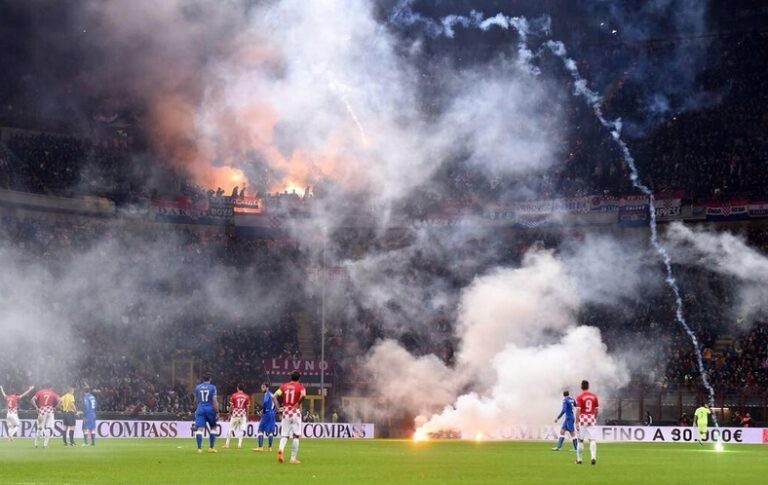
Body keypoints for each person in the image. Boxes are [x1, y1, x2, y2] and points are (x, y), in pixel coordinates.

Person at [273, 370, 306, 464]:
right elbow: (303, 395)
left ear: (290, 377)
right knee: (296, 436)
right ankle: (293, 458)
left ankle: (280, 450)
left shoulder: (283, 386)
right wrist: (298, 403)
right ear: (299, 378)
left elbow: (274, 396)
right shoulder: (300, 386)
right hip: (295, 412)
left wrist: (279, 408)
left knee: (284, 435)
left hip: (285, 412)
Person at [575, 380, 599, 465]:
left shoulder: (580, 396)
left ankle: (579, 460)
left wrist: (576, 421)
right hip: (591, 418)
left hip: (583, 418)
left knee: (580, 440)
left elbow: (578, 410)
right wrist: (594, 418)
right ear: (588, 386)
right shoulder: (594, 396)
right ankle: (593, 457)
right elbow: (596, 409)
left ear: (581, 387)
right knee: (592, 439)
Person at [193, 374, 219, 453]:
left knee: (200, 428)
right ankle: (211, 448)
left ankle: (199, 449)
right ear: (210, 379)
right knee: (213, 427)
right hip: (210, 409)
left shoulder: (198, 387)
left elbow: (195, 400)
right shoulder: (212, 387)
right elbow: (214, 400)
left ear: (203, 379)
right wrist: (217, 411)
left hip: (200, 408)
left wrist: (197, 408)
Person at [224, 384, 250, 449]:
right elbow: (248, 407)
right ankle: (239, 445)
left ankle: (227, 444)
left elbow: (232, 406)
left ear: (238, 388)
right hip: (242, 414)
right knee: (241, 430)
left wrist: (229, 413)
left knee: (230, 428)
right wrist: (247, 416)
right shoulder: (247, 396)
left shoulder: (234, 395)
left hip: (235, 413)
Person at [253, 382, 277, 452]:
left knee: (260, 429)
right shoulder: (272, 394)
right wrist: (274, 412)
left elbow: (266, 402)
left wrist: (262, 411)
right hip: (272, 413)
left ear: (267, 388)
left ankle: (260, 447)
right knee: (270, 431)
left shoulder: (267, 394)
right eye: (261, 387)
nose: (262, 389)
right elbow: (276, 404)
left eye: (263, 387)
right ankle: (270, 447)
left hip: (266, 413)